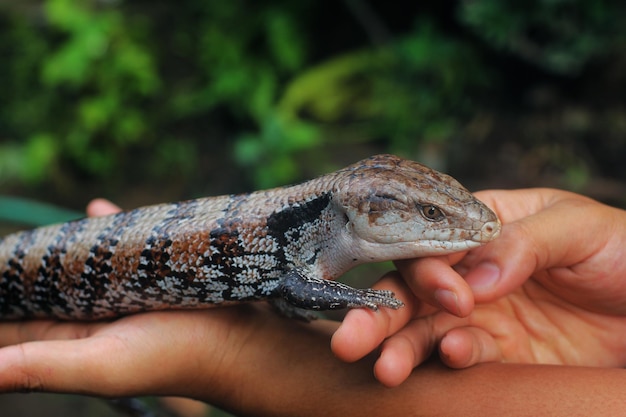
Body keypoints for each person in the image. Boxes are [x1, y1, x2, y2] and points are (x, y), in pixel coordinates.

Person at [0, 189, 625, 416]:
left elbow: (289, 291)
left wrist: (230, 354)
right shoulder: (299, 238)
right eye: (431, 213)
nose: (471, 225)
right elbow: (290, 287)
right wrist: (355, 301)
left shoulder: (307, 236)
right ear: (363, 209)